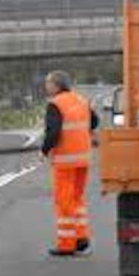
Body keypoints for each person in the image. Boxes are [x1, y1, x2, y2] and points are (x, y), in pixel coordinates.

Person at [41, 71, 99, 257]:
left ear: (56, 85)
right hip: (83, 158)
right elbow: (94, 121)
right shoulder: (81, 100)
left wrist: (44, 150)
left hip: (65, 161)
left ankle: (67, 244)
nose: (46, 87)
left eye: (48, 83)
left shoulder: (55, 104)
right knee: (77, 200)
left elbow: (53, 132)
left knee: (64, 201)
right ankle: (81, 239)